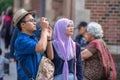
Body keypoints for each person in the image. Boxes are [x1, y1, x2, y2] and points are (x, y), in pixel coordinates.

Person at [13, 8, 53, 80]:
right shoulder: (20, 40)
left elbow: (50, 57)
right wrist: (44, 30)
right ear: (23, 24)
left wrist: (49, 38)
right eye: (31, 21)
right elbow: (41, 48)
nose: (34, 23)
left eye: (34, 20)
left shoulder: (34, 38)